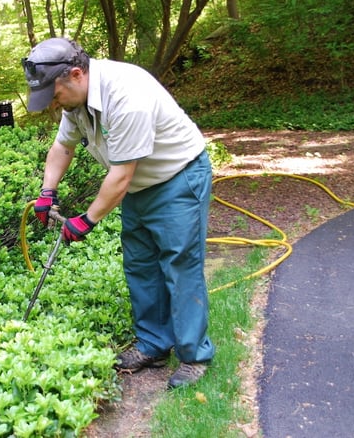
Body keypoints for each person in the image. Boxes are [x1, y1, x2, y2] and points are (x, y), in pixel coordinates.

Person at [22, 37, 214, 388]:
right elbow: (62, 148)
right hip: (138, 186)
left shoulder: (127, 96)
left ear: (76, 74)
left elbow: (121, 175)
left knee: (179, 265)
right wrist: (46, 193)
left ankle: (193, 355)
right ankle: (154, 344)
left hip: (177, 178)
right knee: (140, 264)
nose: (53, 103)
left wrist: (87, 220)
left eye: (54, 94)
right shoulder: (74, 102)